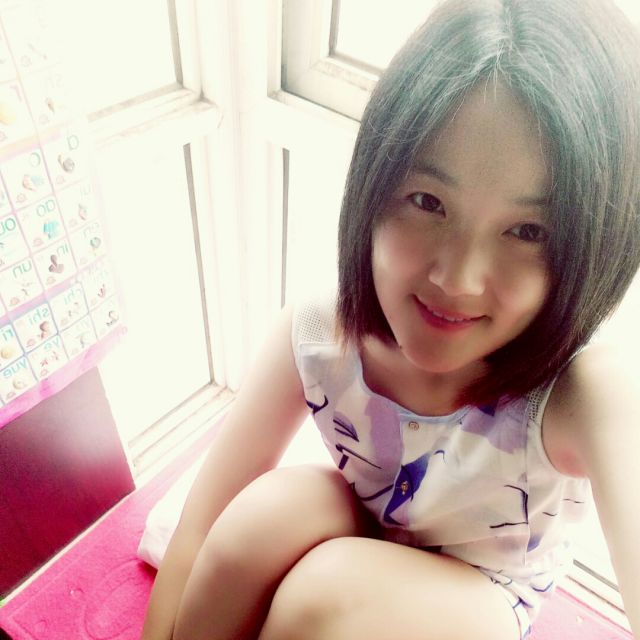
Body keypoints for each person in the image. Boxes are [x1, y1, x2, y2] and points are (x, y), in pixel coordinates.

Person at [141, 0, 640, 638]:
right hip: (373, 525)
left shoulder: (582, 394)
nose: (457, 280)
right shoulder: (320, 333)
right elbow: (197, 532)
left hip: (482, 595)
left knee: (324, 595)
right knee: (263, 516)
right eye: (428, 201)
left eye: (527, 231)